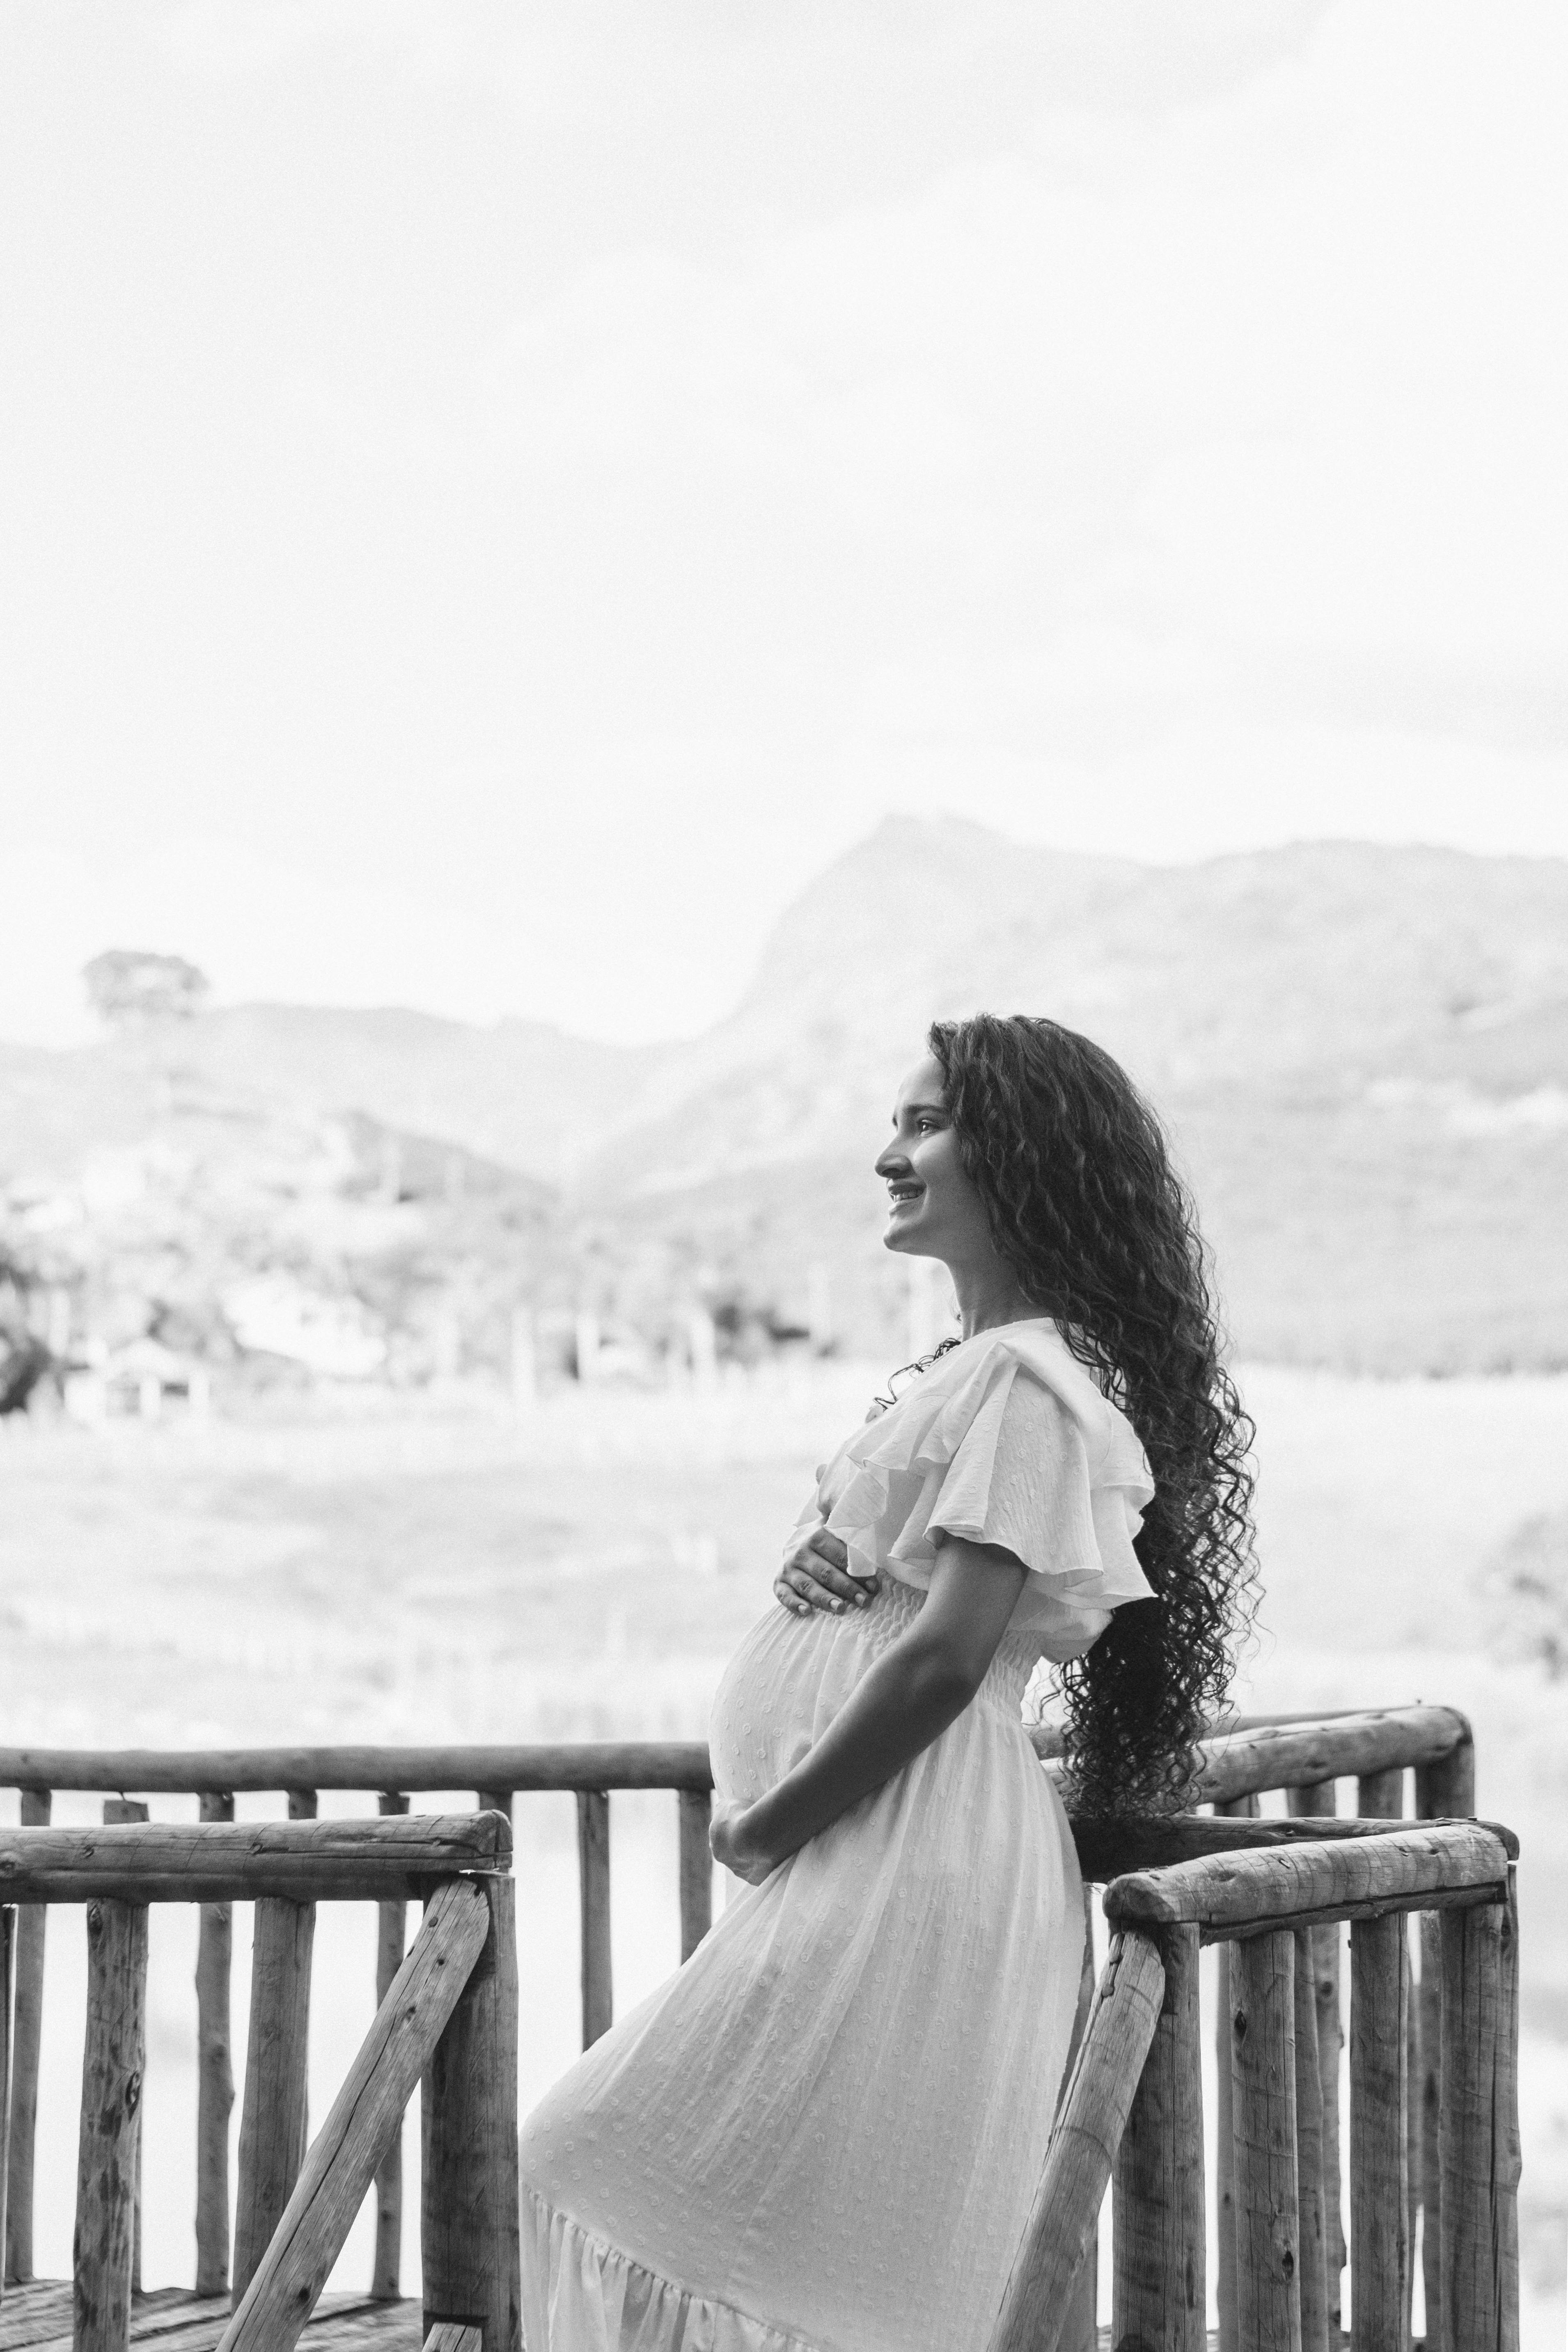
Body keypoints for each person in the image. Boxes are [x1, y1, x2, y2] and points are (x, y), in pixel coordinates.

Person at [518, 1013, 1256, 2352]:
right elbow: (917, 1600)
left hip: (905, 1840)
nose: (887, 1155)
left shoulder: (1029, 1384)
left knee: (602, 2151)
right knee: (782, 2233)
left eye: (924, 1125)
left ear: (1021, 1156)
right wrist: (829, 1561)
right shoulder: (988, 1373)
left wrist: (767, 1818)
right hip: (892, 1840)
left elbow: (940, 1659)